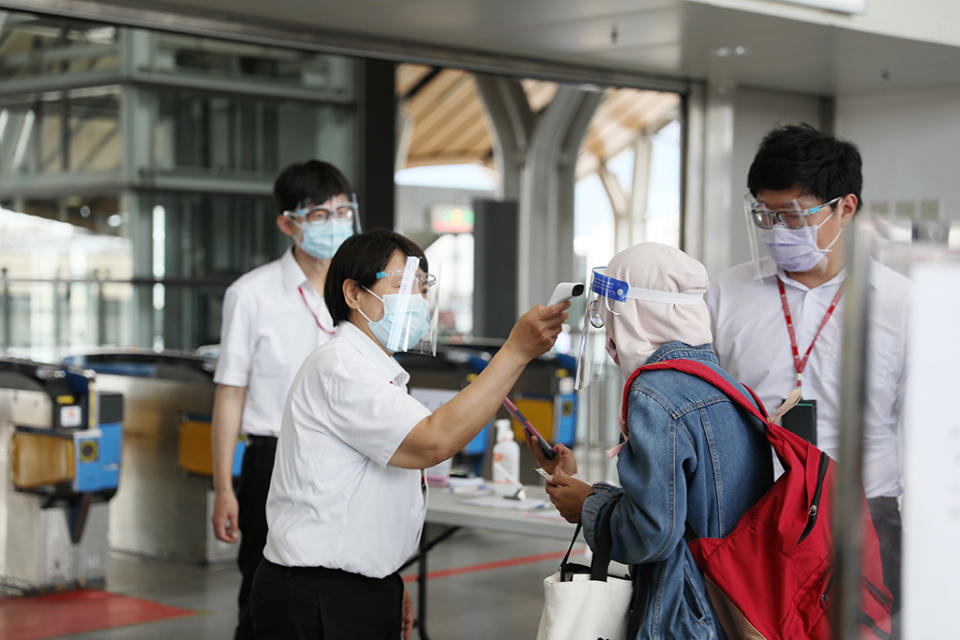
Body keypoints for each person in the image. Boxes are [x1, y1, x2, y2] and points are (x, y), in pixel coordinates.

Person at [248, 229, 569, 640]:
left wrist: (386, 577)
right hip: (316, 595)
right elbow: (434, 440)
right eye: (401, 285)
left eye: (421, 288)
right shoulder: (340, 367)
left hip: (357, 586)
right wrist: (516, 351)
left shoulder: (375, 371)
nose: (416, 301)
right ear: (353, 293)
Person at [705, 124, 909, 617]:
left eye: (793, 216)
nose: (777, 231)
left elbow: (929, 426)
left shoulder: (902, 303)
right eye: (765, 214)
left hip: (866, 512)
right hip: (756, 509)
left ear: (847, 207)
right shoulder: (724, 294)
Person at [531, 243, 773, 640]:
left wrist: (587, 506)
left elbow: (651, 534)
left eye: (607, 310)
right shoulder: (730, 387)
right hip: (735, 606)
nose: (606, 327)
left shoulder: (655, 393)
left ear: (633, 313)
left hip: (684, 614)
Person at [210, 159, 360, 640]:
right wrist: (224, 488)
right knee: (263, 591)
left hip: (346, 460)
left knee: (341, 589)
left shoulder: (359, 294)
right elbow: (230, 393)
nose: (335, 222)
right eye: (319, 214)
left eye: (342, 210)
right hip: (271, 461)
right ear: (288, 223)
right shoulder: (251, 295)